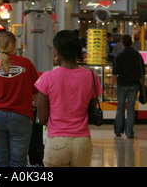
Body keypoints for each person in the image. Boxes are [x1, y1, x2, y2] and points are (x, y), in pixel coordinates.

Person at [35, 30, 103, 167]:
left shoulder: (47, 78)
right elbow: (91, 106)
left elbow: (42, 119)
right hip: (82, 142)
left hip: (56, 142)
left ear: (57, 52)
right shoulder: (91, 76)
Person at [0, 30, 39, 167]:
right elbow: (37, 92)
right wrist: (35, 107)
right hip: (21, 116)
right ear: (15, 45)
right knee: (18, 162)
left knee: (0, 161)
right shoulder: (27, 64)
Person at [111, 34, 145, 138]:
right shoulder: (137, 55)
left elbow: (114, 73)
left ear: (122, 43)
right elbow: (142, 71)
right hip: (134, 85)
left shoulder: (119, 55)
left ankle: (118, 131)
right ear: (131, 43)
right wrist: (143, 85)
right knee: (131, 108)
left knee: (120, 108)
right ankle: (129, 132)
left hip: (122, 85)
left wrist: (112, 86)